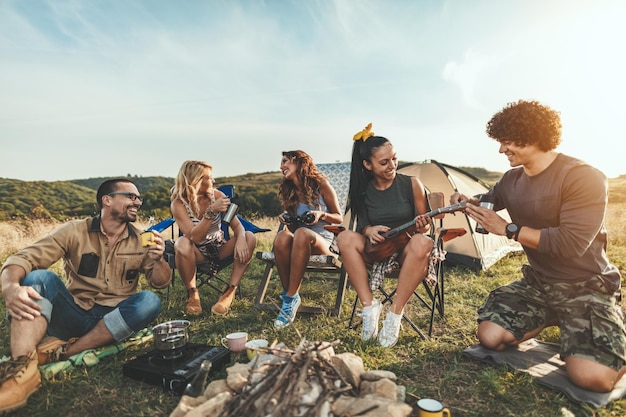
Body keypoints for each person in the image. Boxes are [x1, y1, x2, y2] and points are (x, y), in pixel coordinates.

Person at [450, 99, 626, 393]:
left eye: (507, 142)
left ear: (532, 137)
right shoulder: (510, 180)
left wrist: (508, 229)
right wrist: (468, 202)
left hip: (585, 285)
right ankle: (554, 317)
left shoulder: (583, 177)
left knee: (595, 379)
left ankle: (605, 326)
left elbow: (571, 243)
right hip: (541, 284)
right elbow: (490, 198)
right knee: (490, 336)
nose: (501, 149)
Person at [0, 178, 171, 413]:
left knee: (150, 301)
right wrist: (10, 287)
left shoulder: (143, 239)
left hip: (114, 319)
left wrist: (159, 258)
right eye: (131, 196)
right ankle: (22, 370)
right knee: (39, 278)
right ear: (107, 200)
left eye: (139, 198)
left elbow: (160, 282)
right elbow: (24, 258)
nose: (137, 202)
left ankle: (67, 351)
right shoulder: (75, 230)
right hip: (75, 312)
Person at [336, 124, 435, 347]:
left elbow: (424, 228)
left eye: (394, 159)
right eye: (384, 162)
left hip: (406, 252)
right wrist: (369, 230)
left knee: (423, 241)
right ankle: (369, 307)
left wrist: (422, 225)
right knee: (344, 238)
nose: (392, 165)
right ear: (367, 165)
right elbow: (362, 226)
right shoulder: (362, 189)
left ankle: (394, 315)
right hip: (376, 251)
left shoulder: (411, 184)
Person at [170, 160, 256, 315]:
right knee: (182, 242)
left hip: (218, 248)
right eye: (209, 177)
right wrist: (211, 211)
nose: (213, 180)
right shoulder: (178, 204)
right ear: (195, 180)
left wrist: (241, 238)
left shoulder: (217, 196)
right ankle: (192, 293)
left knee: (249, 237)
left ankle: (230, 292)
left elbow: (237, 226)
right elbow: (194, 237)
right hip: (196, 253)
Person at [272, 150, 343, 328]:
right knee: (282, 238)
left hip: (324, 242)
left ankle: (289, 297)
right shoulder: (290, 191)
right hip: (301, 241)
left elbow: (339, 217)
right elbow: (295, 230)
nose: (281, 167)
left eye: (285, 161)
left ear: (299, 162)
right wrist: (287, 218)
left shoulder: (321, 185)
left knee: (303, 233)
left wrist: (320, 214)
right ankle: (290, 298)